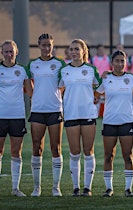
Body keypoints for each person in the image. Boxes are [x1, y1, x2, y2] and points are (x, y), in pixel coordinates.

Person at [0, 40, 33, 197]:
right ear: (2, 53)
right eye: (6, 51)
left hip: (17, 116)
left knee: (16, 152)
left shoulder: (23, 70)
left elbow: (31, 92)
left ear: (16, 52)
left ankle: (15, 188)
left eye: (11, 51)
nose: (8, 54)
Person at [96, 50, 133, 197]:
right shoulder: (106, 78)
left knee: (128, 156)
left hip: (126, 122)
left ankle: (128, 189)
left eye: (122, 61)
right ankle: (109, 188)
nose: (120, 64)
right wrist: (99, 77)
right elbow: (96, 94)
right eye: (117, 61)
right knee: (109, 156)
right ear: (112, 62)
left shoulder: (131, 78)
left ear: (126, 63)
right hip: (109, 121)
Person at [59, 39, 101, 196]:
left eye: (77, 49)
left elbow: (100, 87)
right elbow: (59, 88)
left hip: (88, 114)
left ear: (84, 51)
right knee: (74, 151)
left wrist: (94, 97)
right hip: (71, 114)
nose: (74, 52)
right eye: (71, 49)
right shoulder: (64, 70)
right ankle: (75, 188)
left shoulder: (91, 69)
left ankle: (87, 188)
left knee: (88, 151)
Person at [28, 33, 66, 197]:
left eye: (49, 45)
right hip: (37, 111)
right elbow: (27, 81)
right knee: (37, 146)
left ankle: (56, 187)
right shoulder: (32, 64)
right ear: (39, 45)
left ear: (53, 46)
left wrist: (56, 95)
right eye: (43, 45)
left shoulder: (60, 64)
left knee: (55, 148)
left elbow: (64, 84)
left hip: (55, 110)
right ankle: (37, 187)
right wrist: (33, 95)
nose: (46, 48)